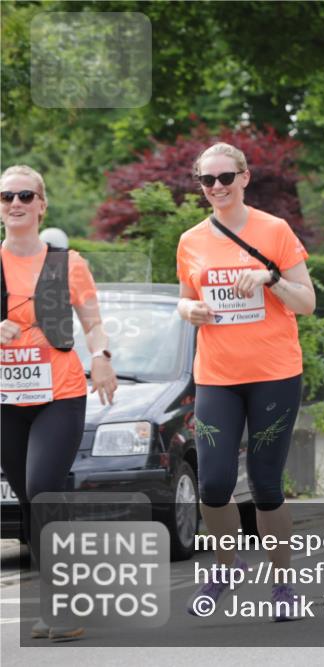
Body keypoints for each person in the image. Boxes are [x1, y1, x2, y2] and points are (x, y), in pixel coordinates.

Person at [176, 143, 316, 620]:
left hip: (274, 375)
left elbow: (307, 303)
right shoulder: (191, 240)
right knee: (213, 484)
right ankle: (226, 567)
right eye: (207, 180)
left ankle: (282, 583)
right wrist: (189, 309)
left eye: (225, 177)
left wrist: (269, 280)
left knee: (265, 483)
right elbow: (184, 298)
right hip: (217, 377)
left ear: (244, 177)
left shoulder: (274, 230)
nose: (217, 187)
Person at [1, 165, 117, 641]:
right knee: (29, 500)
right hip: (7, 399)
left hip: (59, 395)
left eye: (26, 196)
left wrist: (102, 358)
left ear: (42, 205)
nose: (15, 203)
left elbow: (93, 324)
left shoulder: (68, 264)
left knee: (43, 487)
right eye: (7, 196)